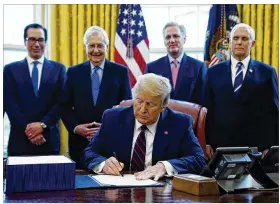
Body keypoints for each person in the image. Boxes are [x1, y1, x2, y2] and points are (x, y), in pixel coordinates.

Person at [84, 73, 206, 180]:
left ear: (163, 106)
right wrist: (103, 164)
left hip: (162, 193)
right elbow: (89, 153)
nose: (142, 109)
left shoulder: (180, 123)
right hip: (120, 190)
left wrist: (165, 166)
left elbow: (199, 160)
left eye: (150, 104)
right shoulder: (113, 118)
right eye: (139, 101)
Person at [61, 26, 132, 168]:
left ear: (107, 47)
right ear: (85, 47)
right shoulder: (73, 72)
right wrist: (76, 127)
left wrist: (108, 126)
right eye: (91, 45)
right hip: (79, 143)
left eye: (100, 45)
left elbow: (126, 106)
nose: (96, 50)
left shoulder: (120, 72)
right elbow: (64, 106)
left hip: (110, 142)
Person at [205, 23, 279, 159]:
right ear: (229, 42)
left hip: (255, 148)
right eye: (236, 38)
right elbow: (207, 109)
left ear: (253, 43)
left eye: (245, 39)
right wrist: (206, 142)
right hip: (220, 147)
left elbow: (274, 112)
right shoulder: (213, 72)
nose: (239, 42)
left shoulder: (267, 72)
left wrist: (272, 146)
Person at [3, 23, 66, 156]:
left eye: (40, 40)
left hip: (48, 141)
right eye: (32, 39)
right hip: (19, 141)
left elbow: (61, 103)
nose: (36, 44)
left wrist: (42, 125)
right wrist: (30, 131)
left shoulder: (59, 69)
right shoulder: (10, 70)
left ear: (45, 42)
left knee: (50, 177)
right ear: (25, 42)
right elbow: (10, 104)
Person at [145, 22, 207, 105]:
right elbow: (147, 98)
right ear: (164, 42)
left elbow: (203, 100)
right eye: (168, 37)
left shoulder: (199, 67)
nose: (172, 40)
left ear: (184, 39)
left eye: (176, 36)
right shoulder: (152, 68)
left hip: (190, 116)